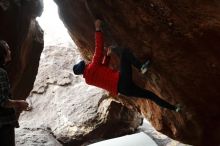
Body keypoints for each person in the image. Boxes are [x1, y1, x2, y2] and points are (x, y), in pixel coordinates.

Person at [73, 19, 180, 112]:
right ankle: (141, 67)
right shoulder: (92, 67)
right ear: (84, 66)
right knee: (124, 53)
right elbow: (99, 49)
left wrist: (108, 56)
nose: (86, 62)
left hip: (124, 90)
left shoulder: (89, 79)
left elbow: (103, 69)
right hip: (122, 80)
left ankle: (175, 108)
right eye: (84, 63)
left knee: (150, 95)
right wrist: (97, 29)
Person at [0, 40, 29, 146]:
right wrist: (20, 103)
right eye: (7, 49)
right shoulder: (1, 73)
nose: (10, 51)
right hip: (3, 123)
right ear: (2, 53)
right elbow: (2, 101)